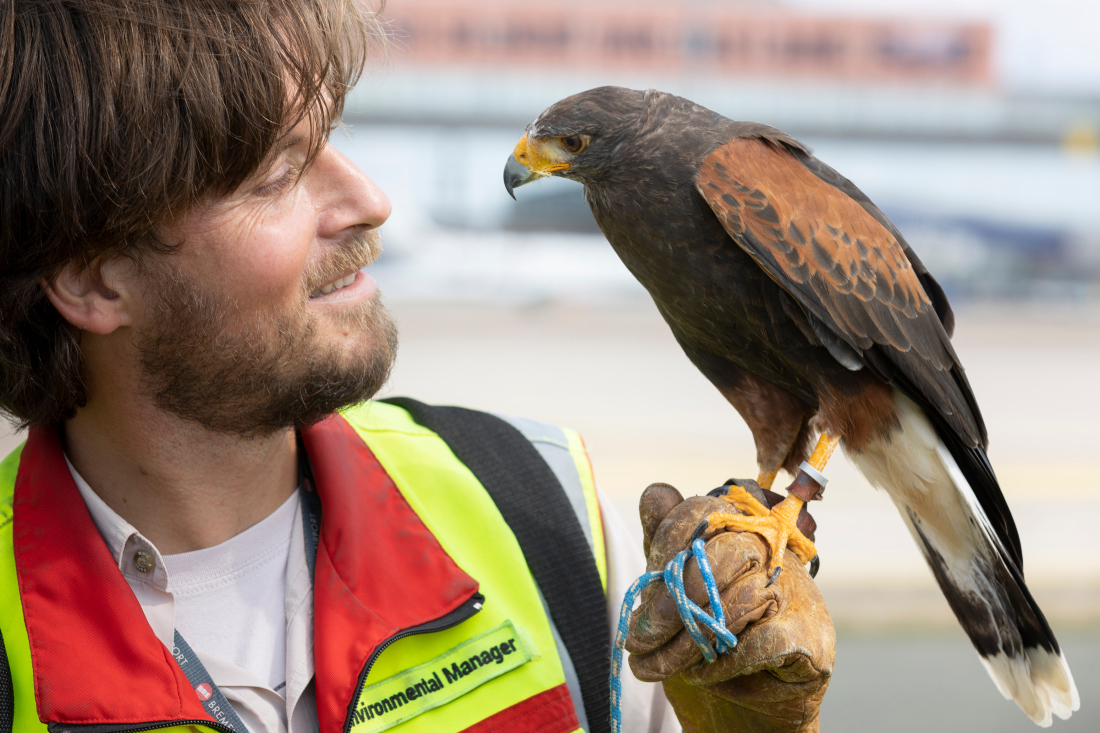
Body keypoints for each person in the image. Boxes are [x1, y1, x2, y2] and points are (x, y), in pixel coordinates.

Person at [0, 2, 833, 732]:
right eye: (278, 173)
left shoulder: (548, 514)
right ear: (93, 277)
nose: (370, 200)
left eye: (331, 137)